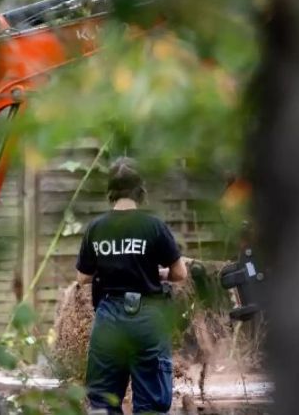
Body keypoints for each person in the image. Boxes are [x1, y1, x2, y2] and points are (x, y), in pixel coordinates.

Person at [76, 157, 187, 414]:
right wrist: (156, 274)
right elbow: (179, 273)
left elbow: (82, 277)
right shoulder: (154, 226)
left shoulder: (96, 228)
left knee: (103, 402)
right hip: (148, 318)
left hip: (109, 318)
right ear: (141, 189)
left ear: (110, 190)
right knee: (150, 405)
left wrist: (111, 267)